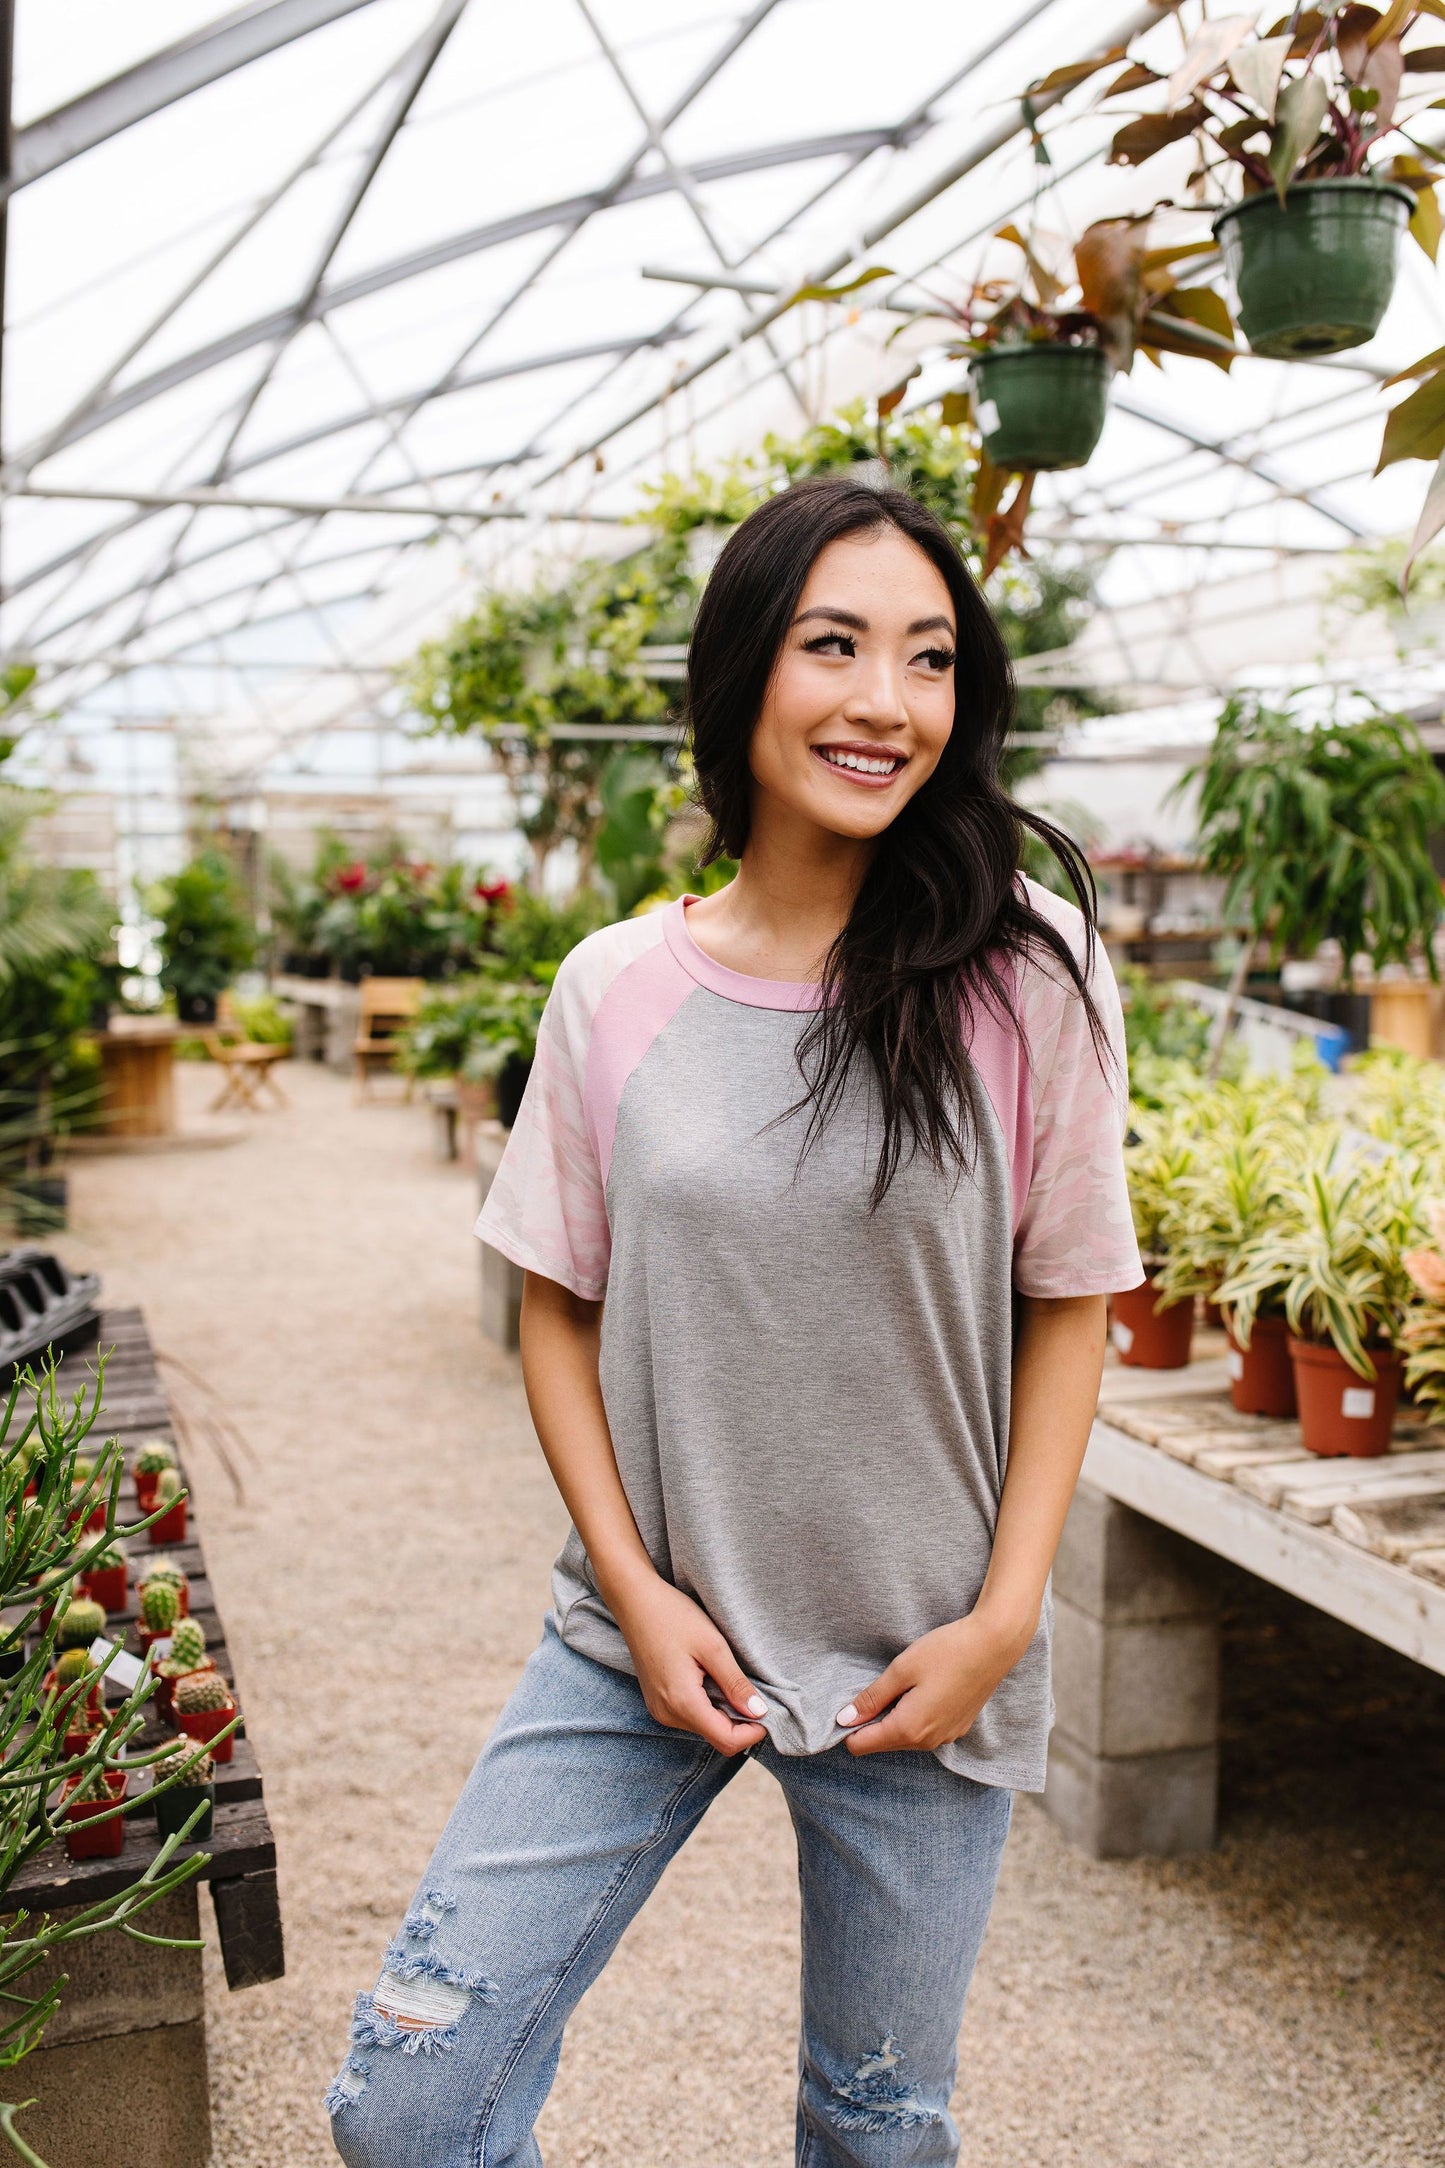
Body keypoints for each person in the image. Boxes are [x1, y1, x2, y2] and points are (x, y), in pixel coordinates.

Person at [328, 476, 1143, 2167]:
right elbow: (559, 1309)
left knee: (874, 2134)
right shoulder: (613, 986)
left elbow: (1071, 1306)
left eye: (927, 659)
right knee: (407, 2105)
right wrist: (634, 1591)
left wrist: (1000, 1624)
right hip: (639, 1639)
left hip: (919, 1666)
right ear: (738, 674)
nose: (883, 702)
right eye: (830, 645)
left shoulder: (1026, 971)